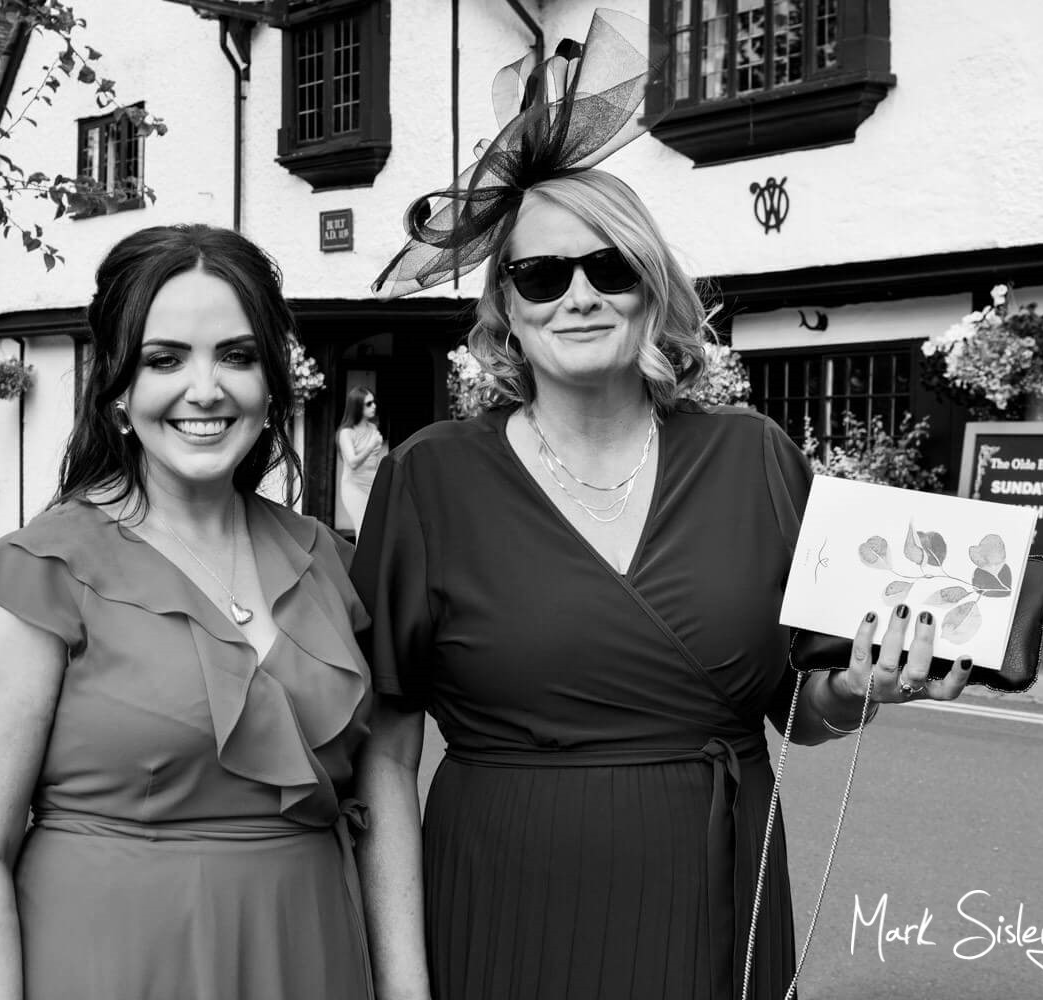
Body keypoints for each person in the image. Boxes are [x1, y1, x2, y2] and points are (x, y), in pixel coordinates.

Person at [350, 13, 975, 1000]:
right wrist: (403, 987)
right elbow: (384, 760)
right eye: (541, 275)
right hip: (502, 905)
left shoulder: (753, 458)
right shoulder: (430, 479)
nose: (578, 297)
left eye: (611, 267)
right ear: (505, 305)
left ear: (652, 287)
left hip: (710, 895)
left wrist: (858, 690)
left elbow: (799, 709)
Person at [0, 224, 375, 1000]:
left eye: (236, 356)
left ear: (272, 381)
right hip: (113, 966)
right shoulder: (40, 580)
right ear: (117, 387)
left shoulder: (325, 561)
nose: (205, 389)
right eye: (164, 359)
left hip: (311, 957)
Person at [337, 385, 388, 536]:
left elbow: (374, 460)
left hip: (372, 484)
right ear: (357, 407)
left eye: (374, 402)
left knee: (377, 528)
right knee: (363, 528)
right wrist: (371, 445)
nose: (374, 406)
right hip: (354, 486)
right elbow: (352, 463)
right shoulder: (346, 433)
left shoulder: (373, 427)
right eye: (368, 404)